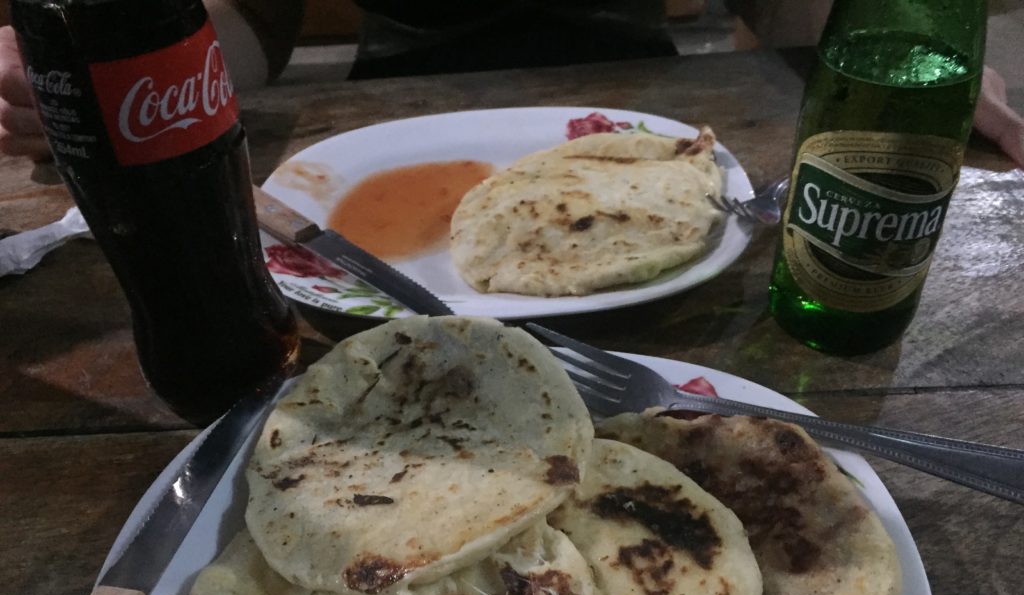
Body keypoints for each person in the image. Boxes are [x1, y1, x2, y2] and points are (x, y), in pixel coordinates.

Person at [1, 0, 1022, 166]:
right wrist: (107, 72)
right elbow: (246, 23)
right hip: (380, 128)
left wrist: (895, 65)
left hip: (653, 128)